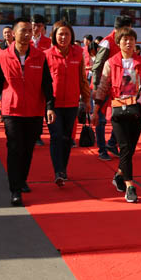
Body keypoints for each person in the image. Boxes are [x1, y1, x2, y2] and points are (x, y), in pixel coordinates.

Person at [0, 18, 56, 206]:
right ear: (13, 33)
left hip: (34, 110)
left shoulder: (40, 56)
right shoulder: (3, 56)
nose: (27, 34)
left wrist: (50, 106)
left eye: (29, 31)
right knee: (14, 148)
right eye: (22, 31)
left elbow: (47, 83)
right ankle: (15, 190)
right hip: (12, 110)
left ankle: (21, 179)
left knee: (27, 149)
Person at [93, 27, 141, 203]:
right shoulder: (111, 63)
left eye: (131, 40)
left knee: (130, 149)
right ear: (118, 43)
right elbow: (103, 87)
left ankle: (119, 175)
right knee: (125, 147)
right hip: (118, 111)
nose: (128, 43)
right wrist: (95, 110)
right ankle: (130, 187)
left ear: (135, 42)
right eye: (124, 40)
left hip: (137, 110)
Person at [45, 21, 90, 186]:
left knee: (66, 138)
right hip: (53, 104)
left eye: (67, 34)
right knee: (56, 136)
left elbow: (82, 78)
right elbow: (43, 82)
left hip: (72, 103)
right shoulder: (46, 55)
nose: (63, 37)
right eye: (60, 34)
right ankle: (58, 171)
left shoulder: (78, 53)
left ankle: (63, 169)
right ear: (54, 36)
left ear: (72, 36)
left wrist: (86, 99)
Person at [91, 16, 132, 160]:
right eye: (129, 28)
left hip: (119, 87)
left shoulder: (125, 42)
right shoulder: (107, 42)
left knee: (122, 116)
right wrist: (96, 87)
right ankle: (102, 150)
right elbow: (97, 66)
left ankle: (112, 143)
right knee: (101, 120)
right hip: (103, 86)